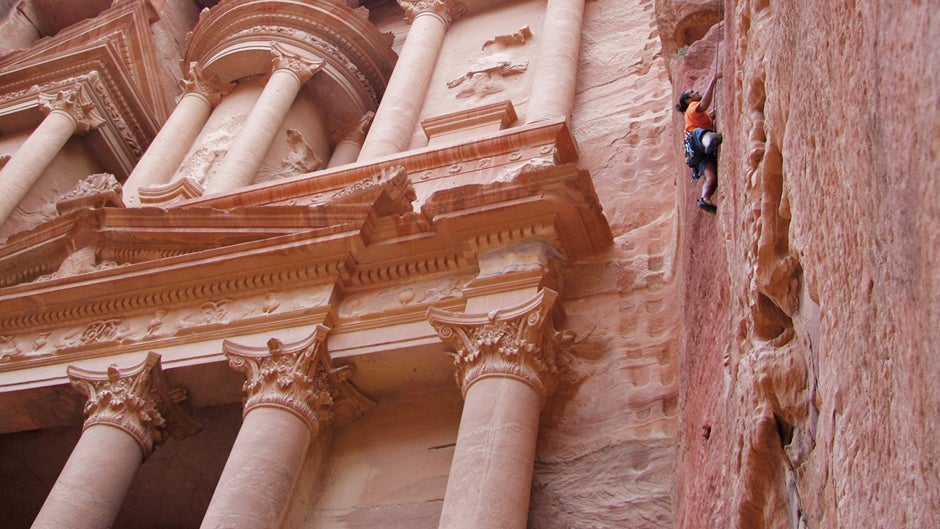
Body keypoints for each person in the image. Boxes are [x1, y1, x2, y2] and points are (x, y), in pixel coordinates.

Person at [676, 72, 722, 213]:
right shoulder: (692, 107)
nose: (696, 92)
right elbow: (703, 105)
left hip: (694, 156)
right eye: (692, 93)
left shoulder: (694, 115)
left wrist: (712, 115)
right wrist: (713, 81)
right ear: (689, 101)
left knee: (711, 176)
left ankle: (705, 198)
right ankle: (710, 141)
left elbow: (707, 115)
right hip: (696, 142)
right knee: (698, 133)